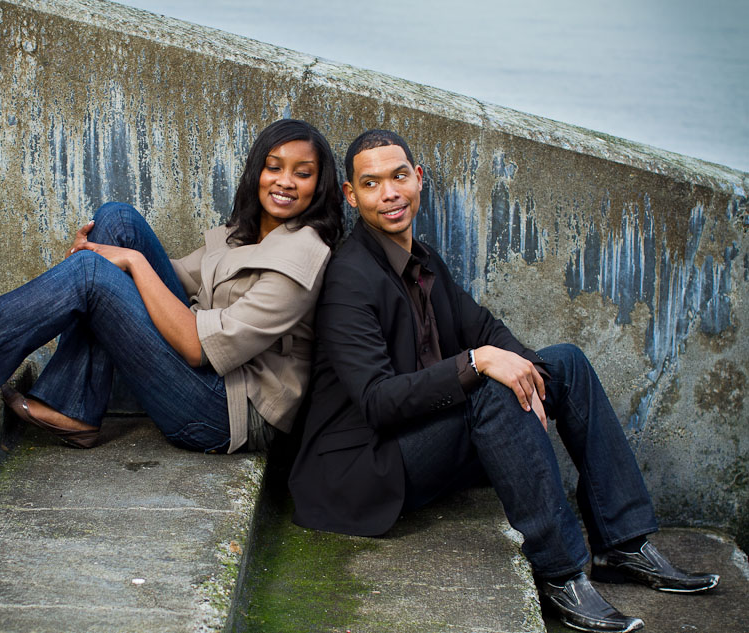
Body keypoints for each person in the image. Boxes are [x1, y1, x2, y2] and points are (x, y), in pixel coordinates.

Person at [288, 129, 718, 633]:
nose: (389, 193)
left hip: (421, 437)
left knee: (566, 364)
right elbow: (377, 401)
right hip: (362, 469)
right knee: (490, 387)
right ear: (351, 194)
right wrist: (477, 363)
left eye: (399, 176)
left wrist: (528, 372)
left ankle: (623, 543)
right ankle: (560, 573)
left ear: (418, 179)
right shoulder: (349, 277)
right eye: (371, 183)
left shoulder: (423, 260)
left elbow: (486, 329)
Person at [0, 119, 343, 455]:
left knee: (98, 272)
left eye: (302, 173)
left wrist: (123, 264)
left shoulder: (302, 258)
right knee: (117, 221)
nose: (284, 181)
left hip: (226, 413)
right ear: (255, 171)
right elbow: (179, 280)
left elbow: (197, 348)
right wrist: (113, 252)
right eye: (274, 167)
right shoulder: (247, 232)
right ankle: (71, 404)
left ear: (319, 186)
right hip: (209, 380)